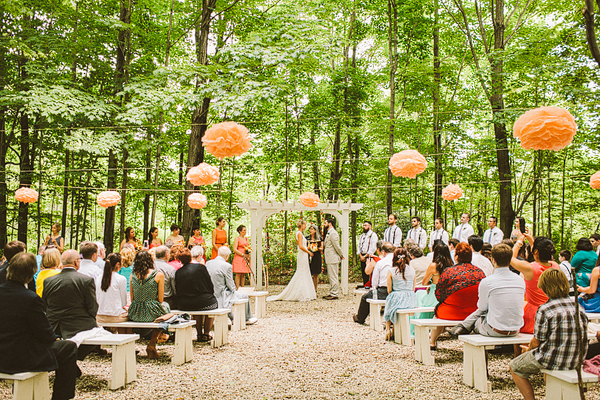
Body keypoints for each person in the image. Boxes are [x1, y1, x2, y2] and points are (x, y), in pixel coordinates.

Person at [0, 252, 78, 400]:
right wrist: (54, 338)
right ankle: (61, 397)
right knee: (68, 348)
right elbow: (44, 333)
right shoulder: (30, 298)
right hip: (19, 357)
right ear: (31, 274)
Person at [510, 269, 588, 400]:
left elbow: (536, 342)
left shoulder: (546, 309)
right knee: (545, 357)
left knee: (514, 367)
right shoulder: (578, 307)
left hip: (553, 359)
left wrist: (527, 350)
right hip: (576, 358)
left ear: (545, 287)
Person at [447, 244, 525, 337]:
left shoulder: (487, 281)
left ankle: (463, 327)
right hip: (516, 329)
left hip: (495, 329)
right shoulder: (520, 280)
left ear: (493, 260)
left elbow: (482, 308)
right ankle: (462, 326)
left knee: (478, 320)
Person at [43, 250, 98, 360]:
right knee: (96, 333)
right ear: (76, 262)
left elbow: (45, 304)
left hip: (54, 325)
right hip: (80, 325)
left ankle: (67, 360)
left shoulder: (48, 281)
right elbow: (92, 307)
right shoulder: (86, 281)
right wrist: (90, 317)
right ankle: (69, 359)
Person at [431, 242, 485, 349]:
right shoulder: (480, 273)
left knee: (437, 311)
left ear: (456, 257)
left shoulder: (448, 272)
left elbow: (439, 295)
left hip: (451, 313)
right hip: (474, 313)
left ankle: (432, 341)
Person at [510, 230, 559, 334]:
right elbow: (542, 258)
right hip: (553, 311)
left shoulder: (530, 268)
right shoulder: (555, 266)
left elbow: (511, 258)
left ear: (535, 251)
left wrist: (519, 241)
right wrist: (532, 242)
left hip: (534, 315)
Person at [128, 250, 169, 358]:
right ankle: (152, 343)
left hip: (135, 312)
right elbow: (160, 299)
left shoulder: (133, 275)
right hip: (151, 312)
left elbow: (132, 299)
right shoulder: (158, 275)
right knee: (165, 307)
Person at [175, 248, 218, 342]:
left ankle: (199, 334)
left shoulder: (178, 272)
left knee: (196, 306)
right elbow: (209, 284)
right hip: (204, 301)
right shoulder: (201, 268)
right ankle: (206, 333)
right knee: (210, 305)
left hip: (185, 304)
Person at [267, 220, 317, 302]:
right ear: (301, 225)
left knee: (304, 272)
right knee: (302, 272)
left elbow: (299, 244)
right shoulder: (299, 234)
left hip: (302, 255)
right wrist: (309, 252)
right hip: (303, 254)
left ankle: (305, 292)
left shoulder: (298, 233)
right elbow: (300, 246)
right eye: (304, 225)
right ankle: (302, 293)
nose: (305, 226)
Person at [206, 246, 257, 324]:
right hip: (222, 294)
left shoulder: (208, 263)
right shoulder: (227, 266)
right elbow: (230, 284)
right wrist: (234, 290)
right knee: (244, 295)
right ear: (227, 256)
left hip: (210, 293)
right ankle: (246, 319)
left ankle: (232, 317)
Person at [353, 242, 395, 325]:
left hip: (383, 291)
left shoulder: (380, 262)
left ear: (383, 252)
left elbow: (374, 282)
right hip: (396, 290)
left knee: (365, 297)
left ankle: (360, 318)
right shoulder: (398, 261)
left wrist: (374, 289)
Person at [383, 247, 417, 341]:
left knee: (390, 299)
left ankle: (387, 328)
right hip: (410, 298)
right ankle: (394, 329)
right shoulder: (412, 270)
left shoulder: (391, 271)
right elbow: (413, 288)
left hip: (396, 296)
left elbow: (389, 290)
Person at [94, 253, 128, 325]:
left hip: (99, 316)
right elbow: (123, 303)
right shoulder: (121, 279)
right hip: (115, 317)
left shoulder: (99, 278)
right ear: (117, 264)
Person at [323, 218, 344, 300]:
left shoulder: (333, 233)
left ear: (330, 223)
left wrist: (341, 254)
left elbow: (336, 246)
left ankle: (334, 293)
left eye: (325, 223)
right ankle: (332, 292)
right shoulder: (329, 233)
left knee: (333, 276)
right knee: (331, 276)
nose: (324, 224)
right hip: (329, 258)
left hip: (333, 258)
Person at [357, 221, 377, 288]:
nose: (364, 227)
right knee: (363, 271)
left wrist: (366, 256)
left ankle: (370, 284)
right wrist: (360, 255)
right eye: (364, 225)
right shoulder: (362, 236)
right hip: (362, 255)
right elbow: (359, 245)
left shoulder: (373, 235)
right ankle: (365, 283)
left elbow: (373, 247)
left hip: (369, 256)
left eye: (366, 225)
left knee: (369, 270)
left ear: (370, 226)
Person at [307, 223, 323, 292]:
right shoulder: (307, 238)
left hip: (316, 257)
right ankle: (308, 289)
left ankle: (315, 289)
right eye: (310, 229)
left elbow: (322, 248)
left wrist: (315, 248)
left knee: (315, 274)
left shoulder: (319, 238)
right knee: (308, 273)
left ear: (315, 230)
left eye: (312, 229)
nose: (310, 230)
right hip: (308, 256)